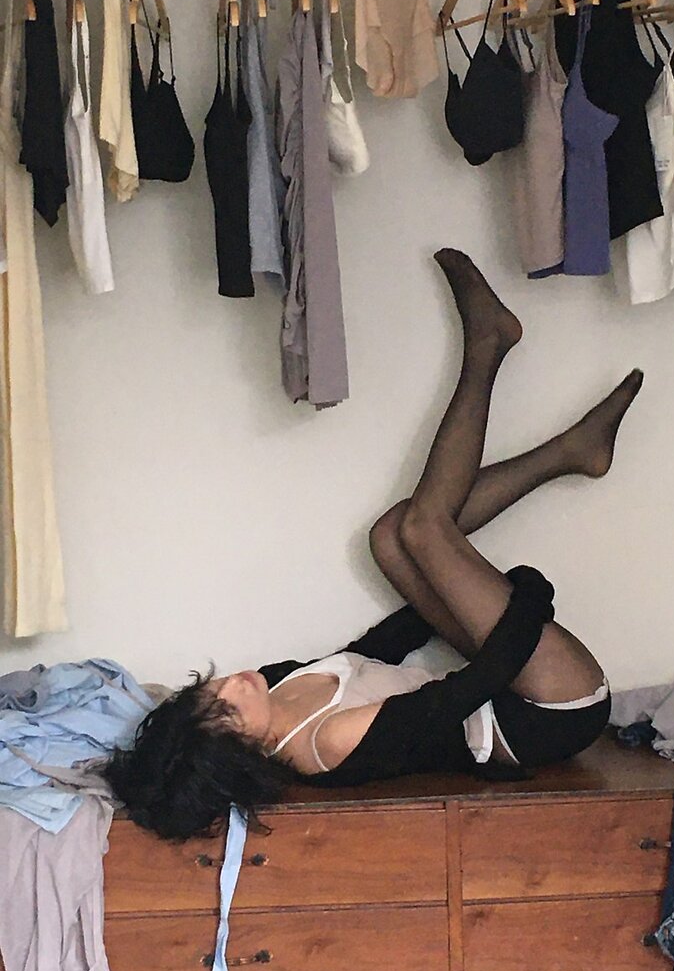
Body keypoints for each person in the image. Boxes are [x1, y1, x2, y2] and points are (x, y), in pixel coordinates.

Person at [104, 249, 643, 841]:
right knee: (422, 530)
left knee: (391, 537)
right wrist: (528, 592)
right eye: (227, 708)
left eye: (208, 689)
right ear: (241, 754)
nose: (232, 681)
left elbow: (374, 651)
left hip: (507, 677)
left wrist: (457, 586)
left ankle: (569, 449)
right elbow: (474, 684)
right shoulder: (328, 744)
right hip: (548, 712)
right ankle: (488, 351)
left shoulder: (272, 685)